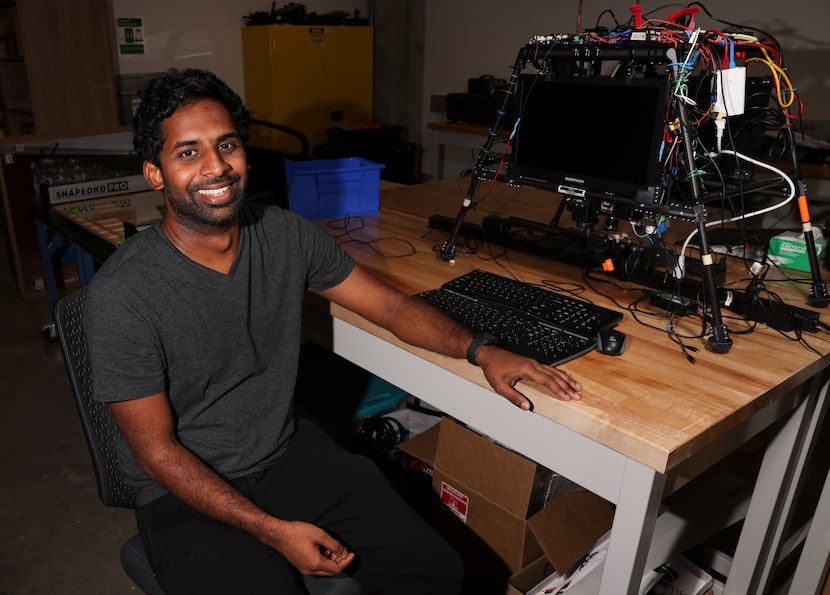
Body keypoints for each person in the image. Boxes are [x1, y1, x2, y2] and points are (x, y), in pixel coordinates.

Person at [84, 68, 582, 595]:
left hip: (283, 453)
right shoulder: (123, 294)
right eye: (187, 152)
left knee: (437, 570)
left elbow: (389, 305)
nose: (216, 166)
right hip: (183, 492)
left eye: (225, 144)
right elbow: (157, 453)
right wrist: (272, 531)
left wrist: (481, 350)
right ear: (155, 174)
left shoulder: (284, 235)